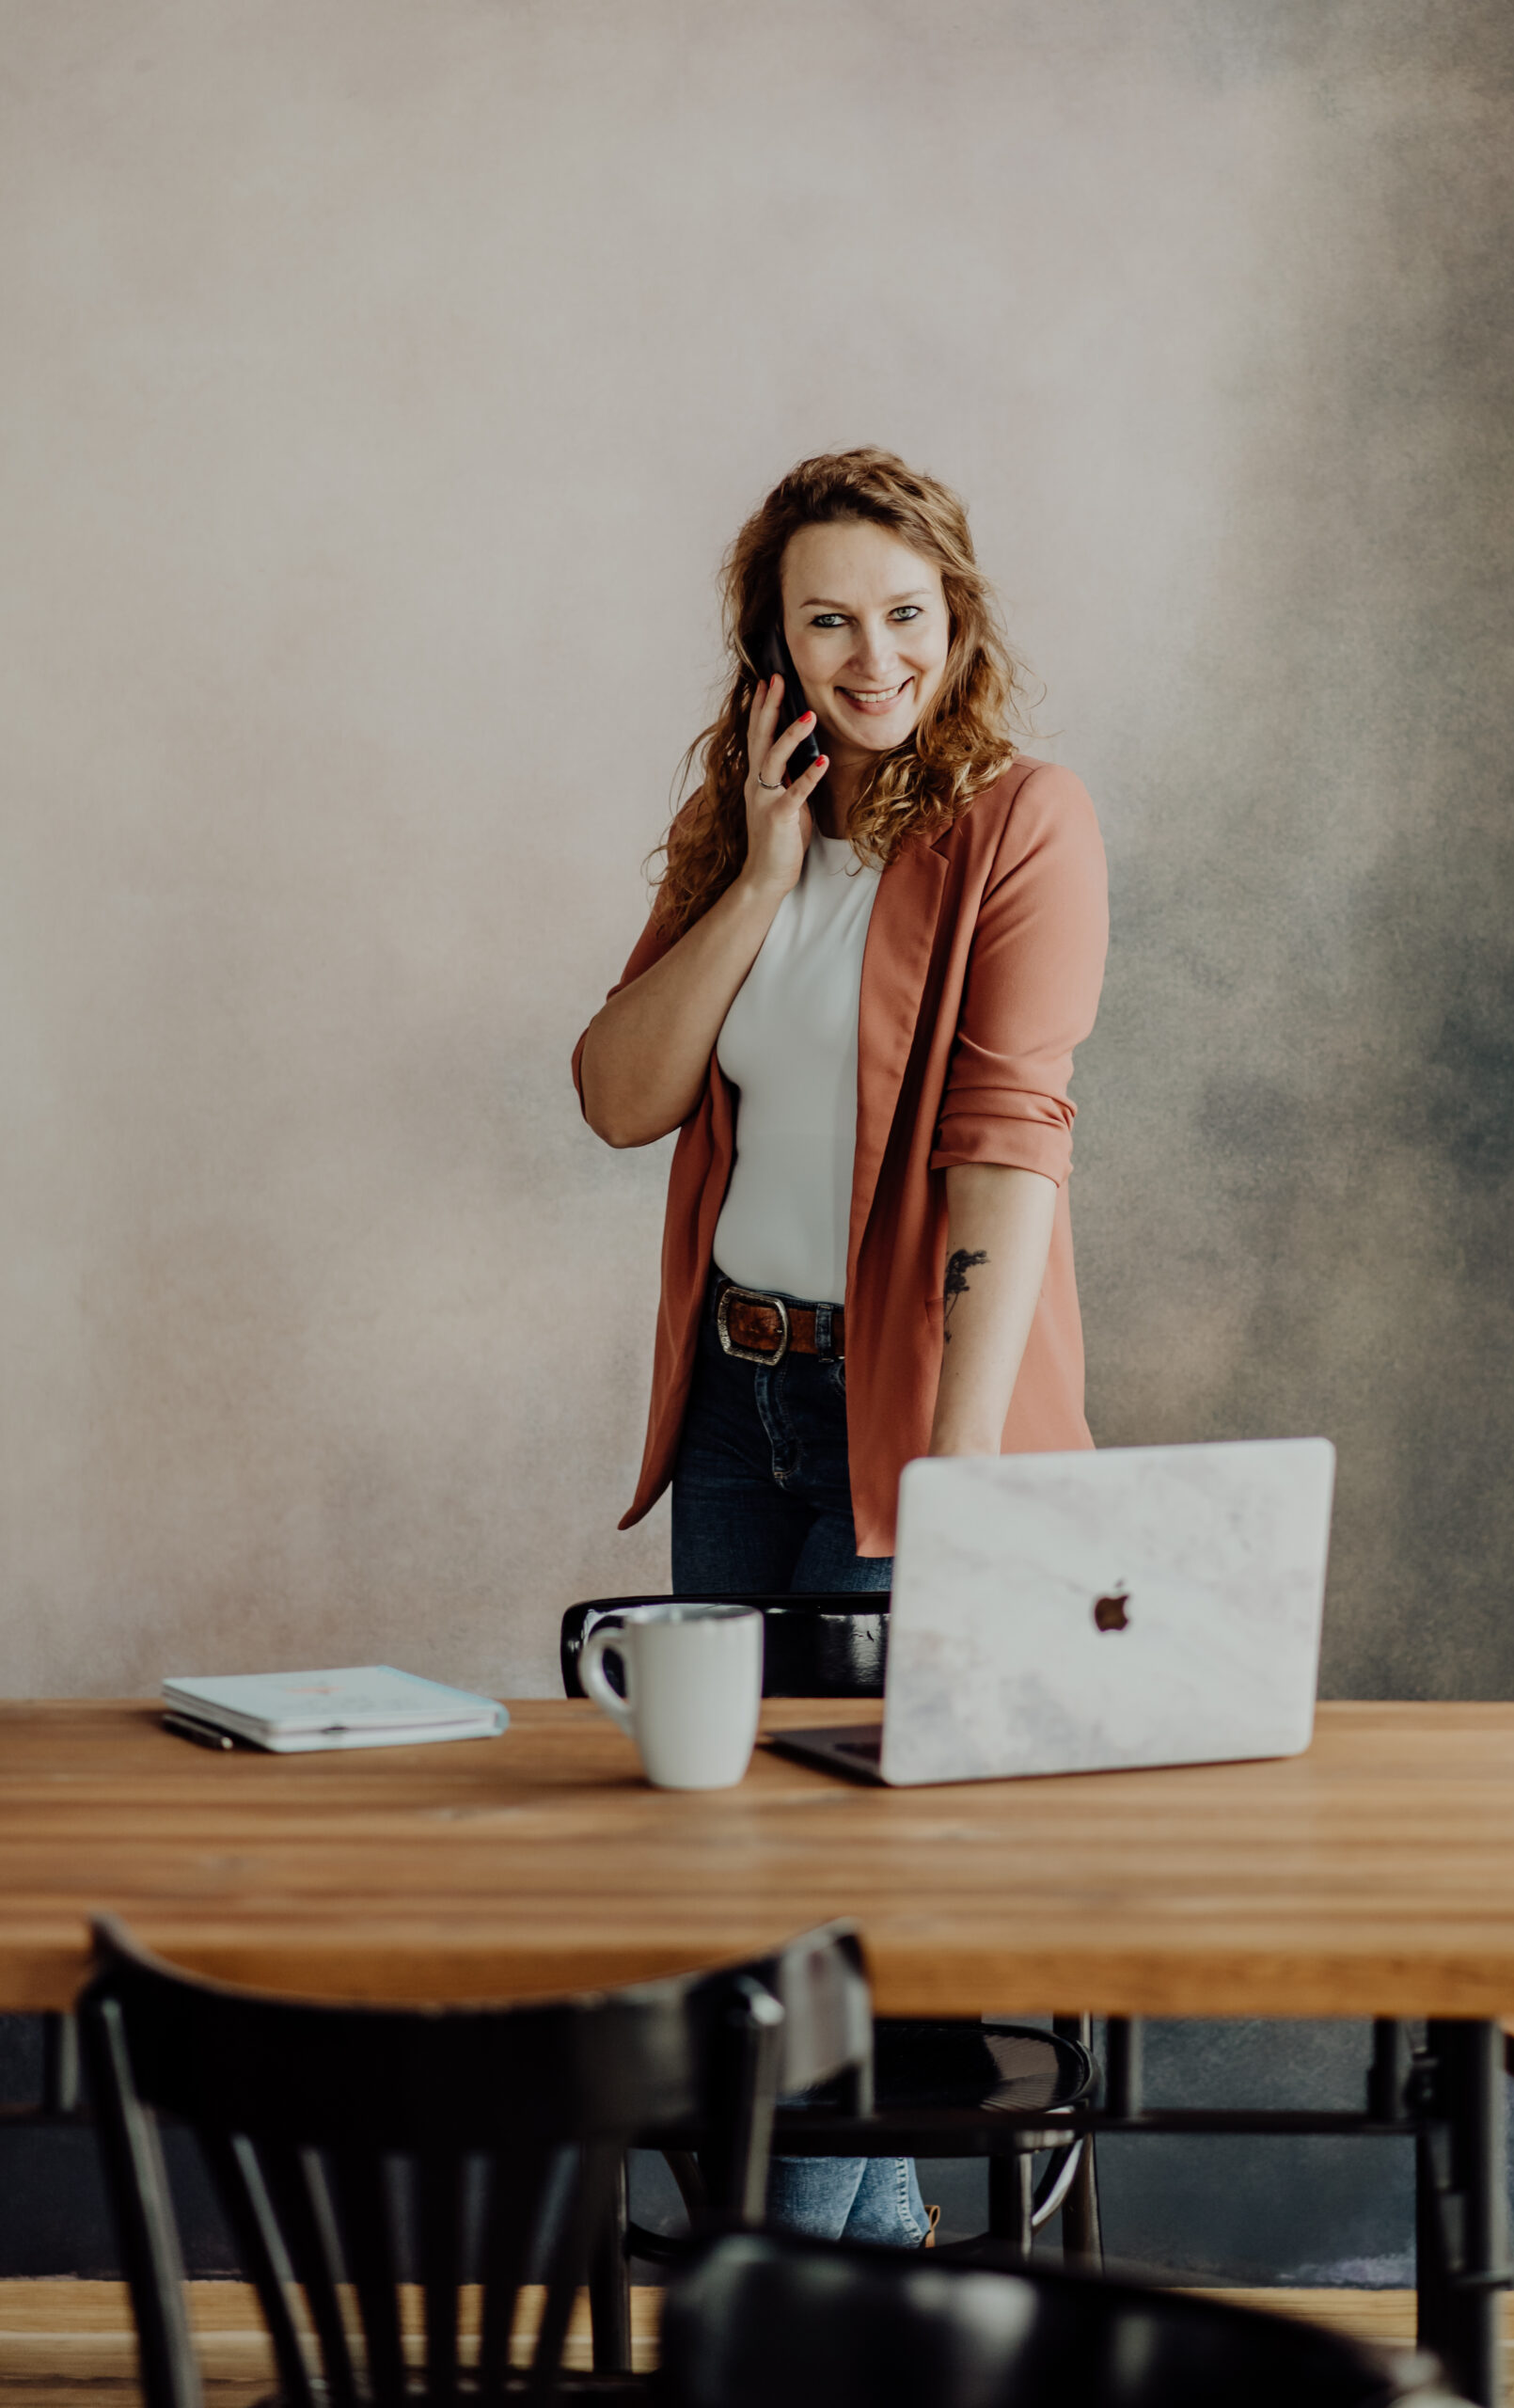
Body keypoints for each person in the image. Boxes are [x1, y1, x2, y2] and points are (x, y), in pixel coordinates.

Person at [572, 447, 1108, 2242]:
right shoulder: (749, 838)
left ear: (956, 622)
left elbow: (1004, 1147)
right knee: (743, 1917)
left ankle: (803, 2334)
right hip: (741, 1408)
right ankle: (885, 2335)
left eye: (903, 614)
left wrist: (950, 1482)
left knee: (832, 1925)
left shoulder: (1021, 820)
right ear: (770, 649)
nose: (871, 656)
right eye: (827, 621)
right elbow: (617, 1095)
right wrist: (756, 871)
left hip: (912, 1423)